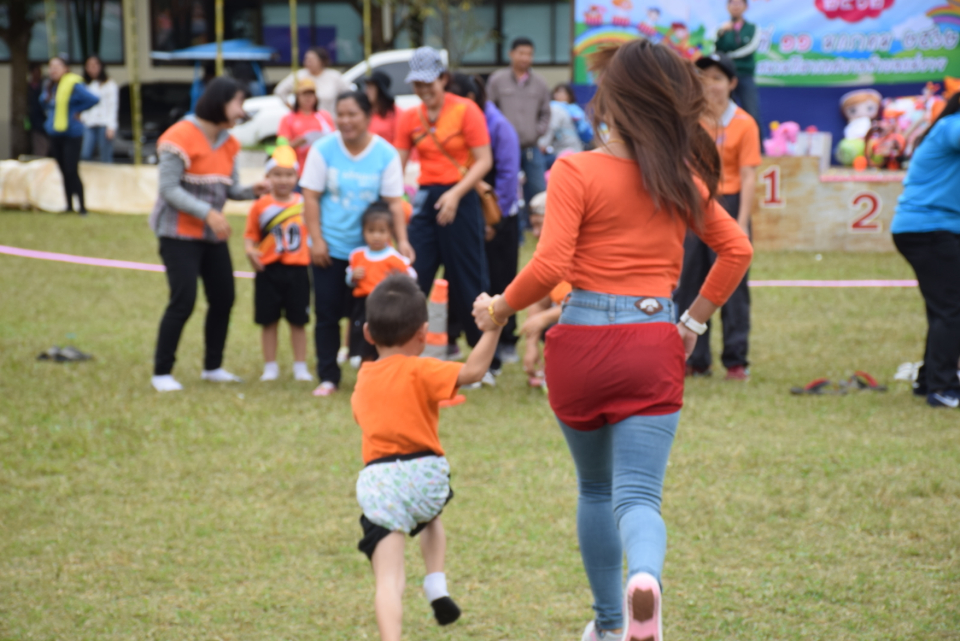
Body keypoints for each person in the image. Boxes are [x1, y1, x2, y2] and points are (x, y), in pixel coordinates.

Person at [475, 40, 752, 641]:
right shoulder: (679, 176)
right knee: (639, 498)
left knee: (595, 489)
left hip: (579, 342)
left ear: (613, 102)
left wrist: (498, 309)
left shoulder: (574, 169)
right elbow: (737, 250)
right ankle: (644, 579)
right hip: (651, 339)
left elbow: (550, 266)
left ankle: (607, 624)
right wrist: (692, 324)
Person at [352, 274, 502, 641]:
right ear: (423, 333)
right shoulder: (421, 369)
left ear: (368, 333)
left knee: (388, 580)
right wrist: (495, 327)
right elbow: (474, 371)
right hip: (426, 477)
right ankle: (436, 582)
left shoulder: (363, 378)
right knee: (428, 515)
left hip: (381, 482)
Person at [149, 77, 270, 393]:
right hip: (177, 234)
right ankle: (162, 372)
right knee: (183, 300)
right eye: (238, 103)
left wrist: (252, 191)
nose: (241, 111)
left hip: (212, 236)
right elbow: (168, 189)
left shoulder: (229, 143)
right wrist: (208, 213)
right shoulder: (179, 136)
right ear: (220, 102)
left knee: (224, 298)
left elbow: (229, 188)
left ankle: (212, 367)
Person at [300, 90, 413, 396]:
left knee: (373, 316)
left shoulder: (385, 153)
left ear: (368, 116)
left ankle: (373, 373)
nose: (346, 121)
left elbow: (394, 203)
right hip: (331, 249)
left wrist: (402, 241)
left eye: (353, 114)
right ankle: (328, 377)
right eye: (341, 114)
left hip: (371, 253)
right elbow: (310, 197)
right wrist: (317, 240)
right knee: (326, 314)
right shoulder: (323, 149)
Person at [395, 48, 494, 383]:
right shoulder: (409, 116)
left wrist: (455, 194)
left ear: (443, 79)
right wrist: (397, 203)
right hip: (426, 199)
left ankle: (483, 361)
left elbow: (484, 160)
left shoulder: (465, 110)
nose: (423, 90)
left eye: (429, 82)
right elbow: (397, 165)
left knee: (469, 278)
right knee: (415, 276)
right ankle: (401, 354)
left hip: (461, 197)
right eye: (417, 84)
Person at [674, 52, 760, 380]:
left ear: (732, 83)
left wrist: (742, 221)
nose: (710, 85)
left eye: (718, 79)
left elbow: (749, 176)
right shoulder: (689, 121)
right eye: (704, 78)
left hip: (730, 202)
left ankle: (736, 360)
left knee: (733, 287)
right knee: (690, 281)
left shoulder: (745, 123)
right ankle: (695, 358)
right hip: (694, 205)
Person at [445, 73, 521, 365]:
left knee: (501, 279)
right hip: (466, 212)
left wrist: (493, 221)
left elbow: (508, 175)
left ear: (470, 98)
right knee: (462, 276)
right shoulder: (456, 121)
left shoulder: (498, 125)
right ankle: (455, 336)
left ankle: (505, 342)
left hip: (496, 215)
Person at [891, 92, 960, 408]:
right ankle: (943, 387)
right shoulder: (951, 127)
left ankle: (929, 380)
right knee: (951, 307)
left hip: (932, 229)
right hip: (928, 230)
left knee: (945, 307)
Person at [243, 144, 314, 383]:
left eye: (288, 175)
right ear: (268, 176)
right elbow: (250, 235)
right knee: (268, 320)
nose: (283, 180)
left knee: (298, 321)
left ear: (297, 176)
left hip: (298, 270)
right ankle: (270, 366)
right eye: (277, 174)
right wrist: (250, 252)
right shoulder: (260, 205)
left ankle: (300, 365)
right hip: (268, 270)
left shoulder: (305, 204)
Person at [486, 37, 551, 227]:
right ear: (511, 54)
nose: (525, 58)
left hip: (530, 146)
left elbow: (546, 113)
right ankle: (509, 226)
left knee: (538, 188)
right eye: (521, 53)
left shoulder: (540, 83)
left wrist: (537, 132)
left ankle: (539, 227)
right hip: (504, 148)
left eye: (529, 54)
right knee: (506, 187)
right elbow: (489, 110)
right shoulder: (497, 80)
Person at [347, 202, 418, 365]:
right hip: (362, 306)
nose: (376, 236)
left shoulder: (395, 258)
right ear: (363, 232)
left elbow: (412, 276)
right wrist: (352, 276)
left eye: (381, 231)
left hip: (384, 305)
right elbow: (349, 280)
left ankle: (383, 367)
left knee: (382, 340)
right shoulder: (357, 255)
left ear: (390, 232)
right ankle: (364, 367)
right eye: (371, 231)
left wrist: (396, 282)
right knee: (362, 339)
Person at [41, 55, 99, 214]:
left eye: (57, 66)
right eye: (51, 66)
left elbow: (93, 99)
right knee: (63, 170)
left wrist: (77, 110)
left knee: (71, 169)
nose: (53, 70)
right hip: (55, 133)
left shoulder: (74, 84)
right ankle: (68, 206)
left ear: (66, 68)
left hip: (72, 134)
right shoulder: (50, 85)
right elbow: (43, 101)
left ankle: (82, 207)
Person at [714, 0, 762, 131]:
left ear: (746, 7)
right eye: (733, 3)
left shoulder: (752, 28)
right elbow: (714, 49)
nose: (735, 7)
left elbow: (750, 47)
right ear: (727, 7)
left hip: (745, 75)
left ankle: (758, 143)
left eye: (739, 3)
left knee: (752, 112)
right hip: (726, 76)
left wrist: (728, 56)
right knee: (723, 113)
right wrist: (721, 33)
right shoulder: (722, 28)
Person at [276, 78, 336, 176]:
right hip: (298, 171)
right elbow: (281, 148)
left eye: (311, 94)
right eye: (304, 94)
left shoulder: (325, 116)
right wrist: (296, 143)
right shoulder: (288, 119)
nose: (308, 98)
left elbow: (334, 140)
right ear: (297, 97)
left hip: (323, 169)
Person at [274, 47, 350, 115]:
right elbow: (280, 90)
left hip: (329, 120)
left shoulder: (334, 76)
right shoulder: (300, 75)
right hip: (306, 121)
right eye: (306, 59)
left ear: (321, 61)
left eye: (311, 60)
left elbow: (348, 95)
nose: (308, 62)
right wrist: (294, 109)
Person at [80, 55, 119, 163]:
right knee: (85, 154)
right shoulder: (84, 84)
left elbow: (113, 106)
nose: (92, 68)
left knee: (105, 156)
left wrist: (111, 126)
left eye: (95, 65)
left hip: (104, 124)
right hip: (88, 123)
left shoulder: (109, 84)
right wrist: (81, 118)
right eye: (89, 65)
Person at [364, 71, 399, 143]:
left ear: (380, 91)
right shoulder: (364, 111)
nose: (366, 92)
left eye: (370, 88)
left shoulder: (395, 113)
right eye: (367, 88)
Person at [28, 63, 49, 157]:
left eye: (39, 72)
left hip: (46, 120)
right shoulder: (28, 86)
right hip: (35, 122)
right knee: (39, 148)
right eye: (36, 72)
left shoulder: (46, 85)